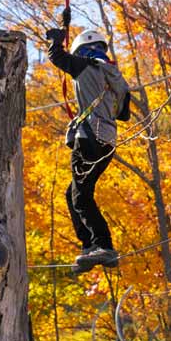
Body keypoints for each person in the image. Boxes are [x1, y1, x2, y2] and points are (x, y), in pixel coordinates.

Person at [44, 25, 132, 274]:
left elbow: (57, 58)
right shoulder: (115, 77)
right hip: (107, 141)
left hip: (89, 137)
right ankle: (90, 247)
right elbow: (123, 114)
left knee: (80, 197)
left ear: (82, 51)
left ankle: (103, 245)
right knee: (73, 194)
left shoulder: (86, 66)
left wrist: (55, 40)